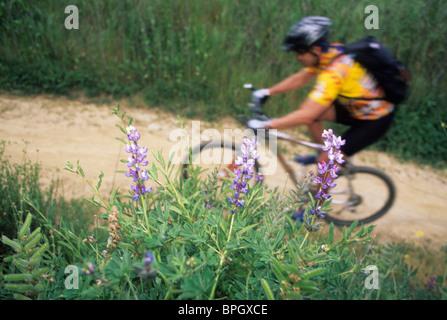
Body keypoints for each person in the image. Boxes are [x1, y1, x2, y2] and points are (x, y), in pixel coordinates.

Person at [247, 16, 395, 166]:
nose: (297, 57)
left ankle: (323, 177)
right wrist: (267, 92)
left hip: (375, 119)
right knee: (313, 116)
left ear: (316, 49)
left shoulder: (334, 73)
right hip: (355, 106)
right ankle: (324, 153)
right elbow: (301, 78)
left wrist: (268, 125)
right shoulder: (331, 53)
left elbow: (305, 116)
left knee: (325, 161)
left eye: (300, 52)